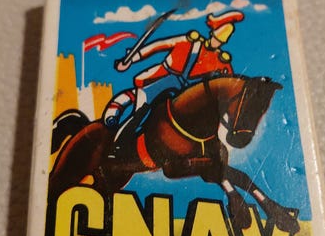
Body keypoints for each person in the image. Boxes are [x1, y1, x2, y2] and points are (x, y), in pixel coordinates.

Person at [102, 10, 244, 149]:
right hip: (162, 80)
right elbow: (157, 46)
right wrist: (131, 60)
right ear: (211, 34)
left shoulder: (222, 62)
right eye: (216, 39)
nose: (216, 43)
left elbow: (227, 86)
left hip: (185, 93)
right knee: (141, 114)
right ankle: (116, 147)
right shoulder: (190, 41)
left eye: (220, 42)